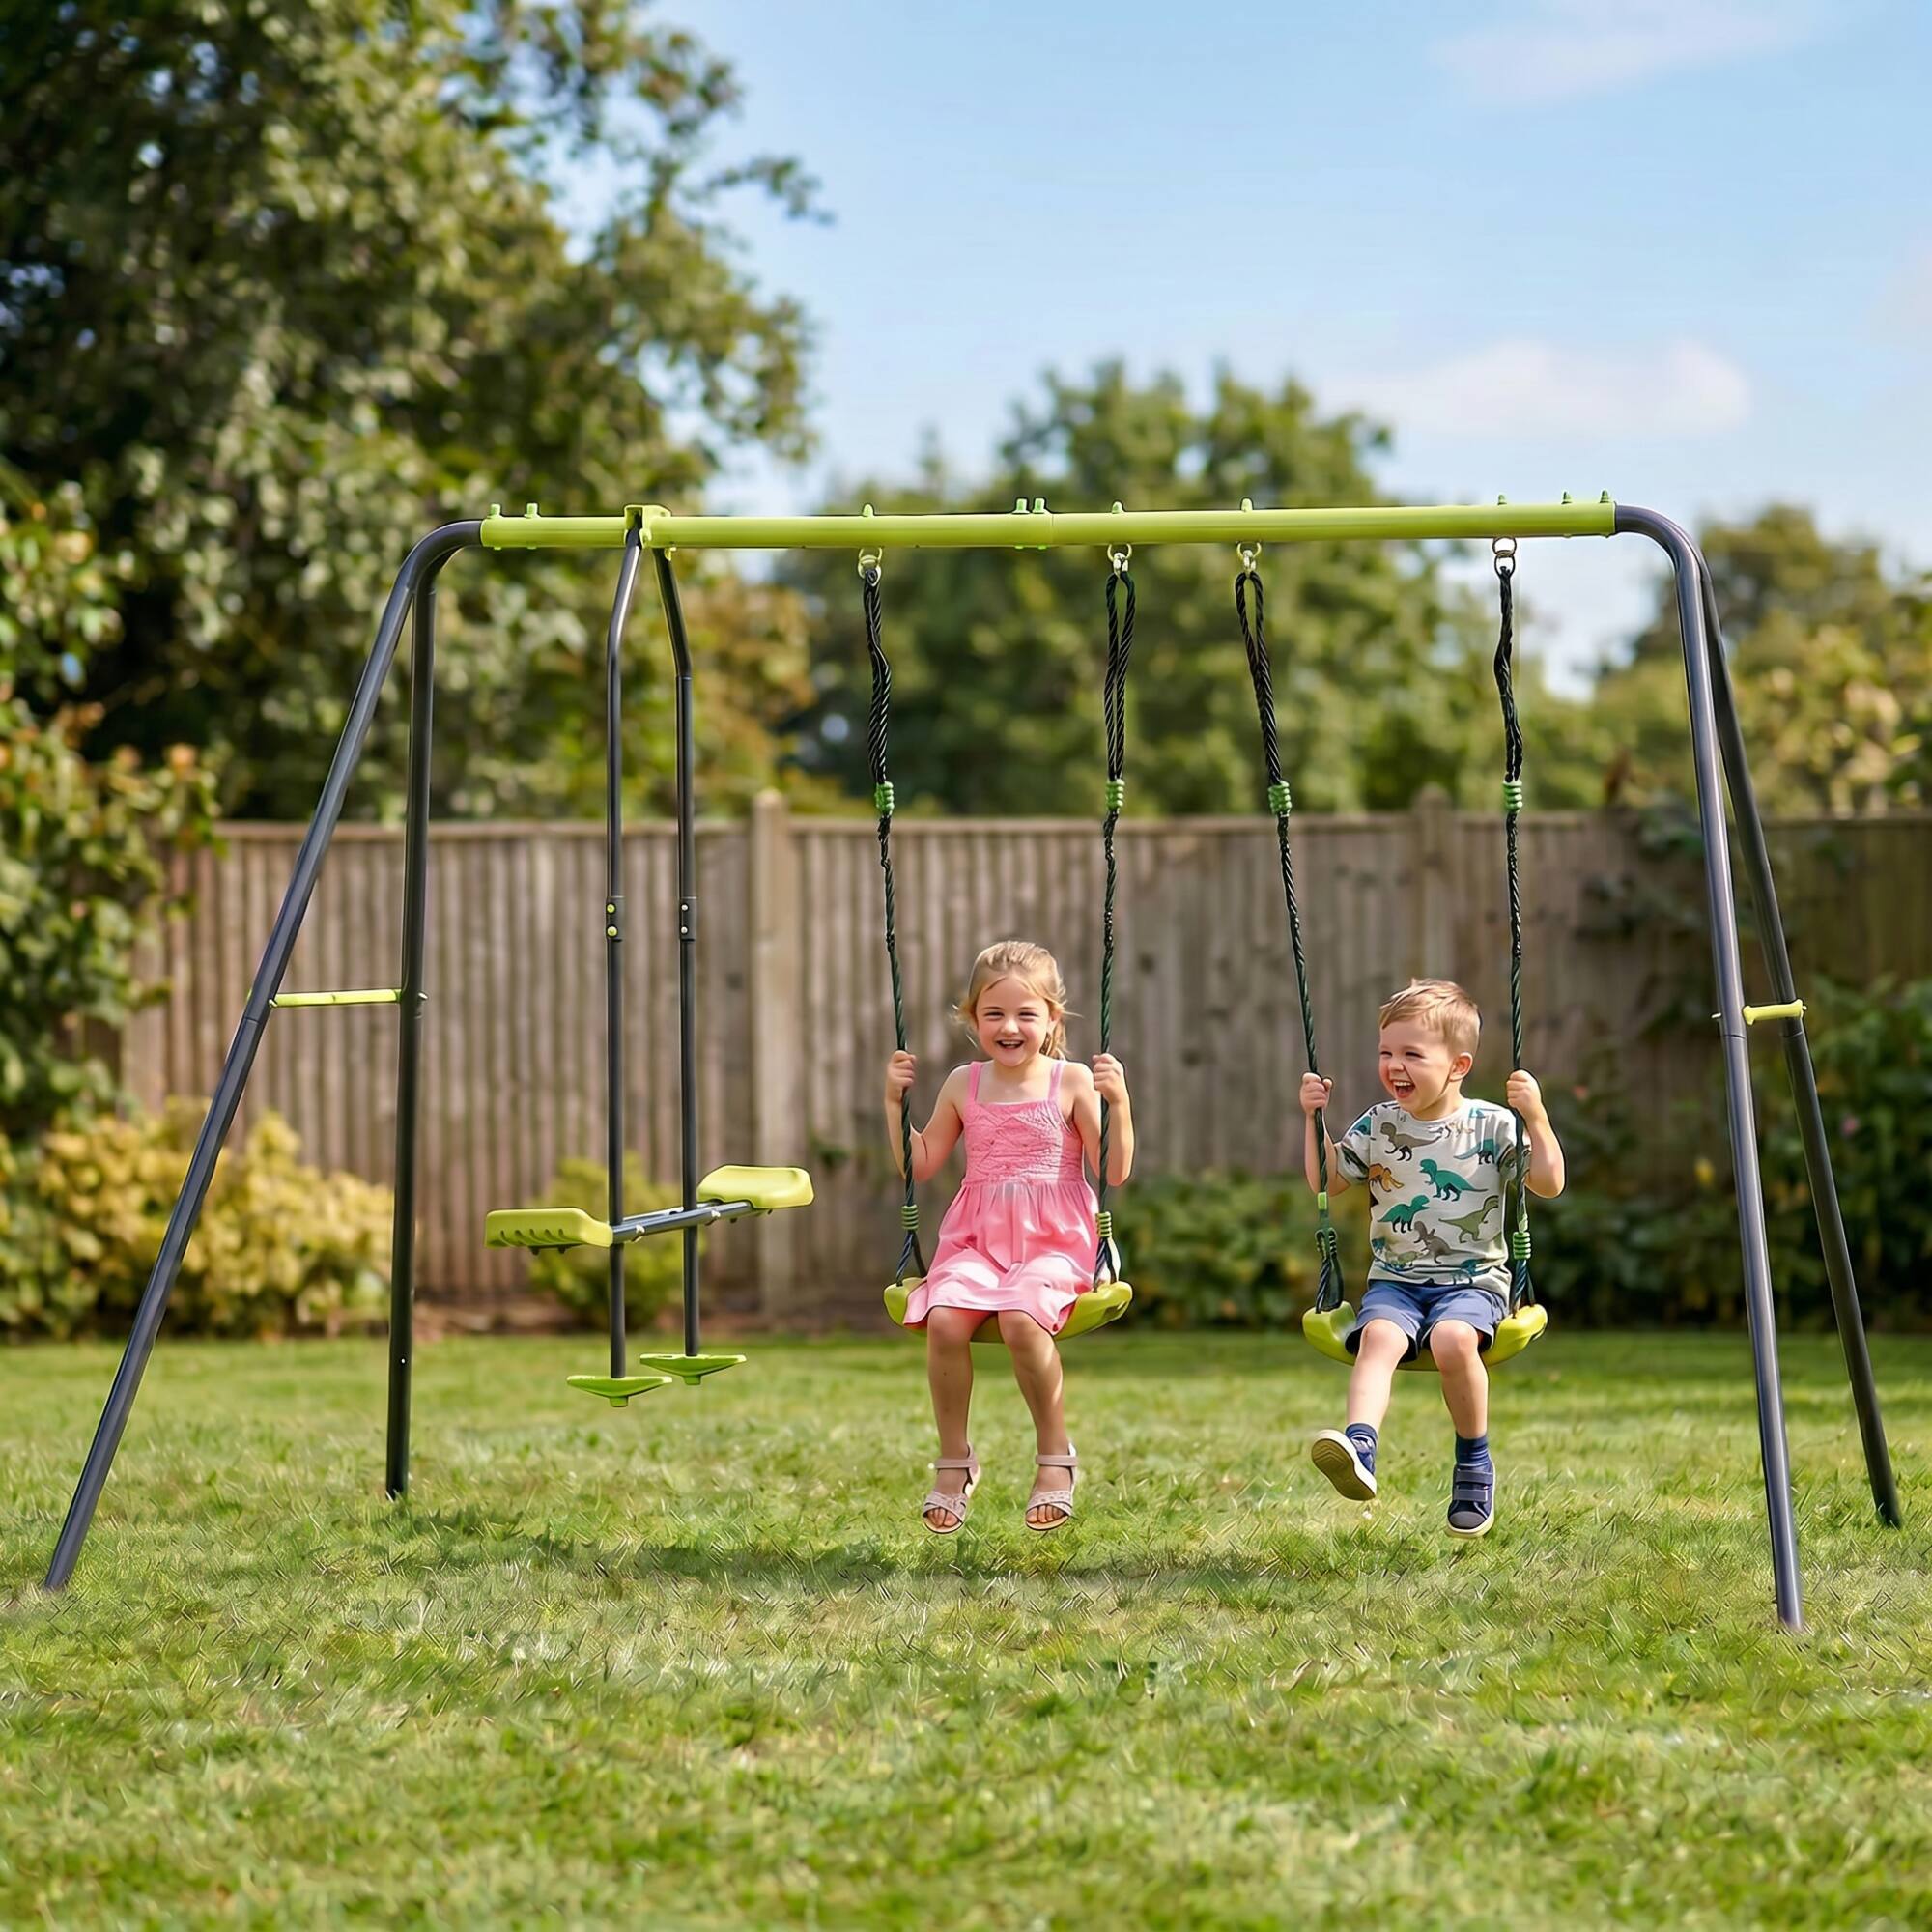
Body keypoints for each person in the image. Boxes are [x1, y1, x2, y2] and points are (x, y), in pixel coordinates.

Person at [884, 940, 1134, 1535]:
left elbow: (1113, 1169)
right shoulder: (962, 1084)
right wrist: (894, 1104)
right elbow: (918, 1164)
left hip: (1056, 1243)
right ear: (972, 1019)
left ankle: (1055, 1456)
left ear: (1052, 1019)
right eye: (993, 1014)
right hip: (978, 1242)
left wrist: (1118, 1102)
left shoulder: (1072, 1081)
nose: (1010, 1026)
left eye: (1026, 1013)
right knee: (944, 1318)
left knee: (1023, 1320)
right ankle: (954, 1460)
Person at [1300, 979, 1564, 1538]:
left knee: (1450, 1340)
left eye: (1411, 1054)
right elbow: (1328, 1181)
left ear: (1457, 1065)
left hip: (1473, 1283)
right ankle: (1361, 1448)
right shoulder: (1378, 1125)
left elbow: (1548, 1183)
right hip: (1395, 1280)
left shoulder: (1493, 1125)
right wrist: (1312, 1121)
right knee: (1379, 1340)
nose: (1394, 1065)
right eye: (1386, 1053)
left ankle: (1473, 1463)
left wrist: (1535, 1117)